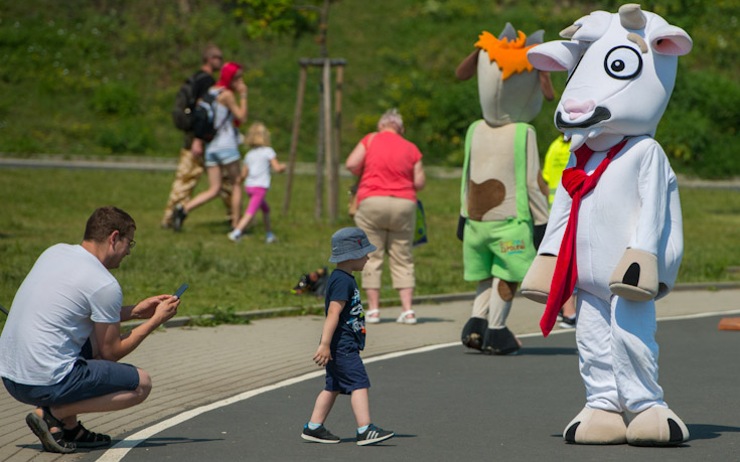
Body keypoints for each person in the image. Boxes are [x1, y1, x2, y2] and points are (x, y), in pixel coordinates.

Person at [0, 207, 181, 454]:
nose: (129, 250)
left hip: (11, 376)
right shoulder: (104, 283)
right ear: (114, 238)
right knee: (141, 385)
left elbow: (77, 311)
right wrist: (155, 321)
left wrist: (136, 311)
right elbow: (111, 352)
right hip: (42, 381)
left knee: (87, 342)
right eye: (130, 243)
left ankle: (70, 429)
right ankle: (53, 414)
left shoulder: (55, 252)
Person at [301, 227, 395, 446]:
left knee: (332, 386)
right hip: (341, 345)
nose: (368, 257)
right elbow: (333, 313)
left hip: (340, 344)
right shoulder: (343, 281)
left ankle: (314, 427)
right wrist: (325, 344)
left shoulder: (342, 278)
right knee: (359, 383)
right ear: (352, 255)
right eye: (364, 253)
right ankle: (365, 429)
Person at [345, 109, 426, 325]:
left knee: (372, 255)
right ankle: (408, 311)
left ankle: (373, 311)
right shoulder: (411, 148)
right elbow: (419, 182)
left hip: (372, 202)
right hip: (404, 205)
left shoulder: (370, 140)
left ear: (382, 125)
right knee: (403, 256)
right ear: (400, 129)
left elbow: (351, 164)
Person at [161, 44, 233, 229]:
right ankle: (236, 218)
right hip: (202, 141)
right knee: (226, 180)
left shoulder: (194, 78)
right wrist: (199, 140)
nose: (221, 61)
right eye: (218, 57)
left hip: (192, 138)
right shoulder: (206, 81)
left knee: (185, 180)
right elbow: (203, 113)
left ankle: (169, 218)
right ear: (209, 59)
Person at [173, 61, 248, 232]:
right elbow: (242, 117)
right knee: (237, 183)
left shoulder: (212, 91)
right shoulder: (227, 95)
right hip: (227, 145)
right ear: (231, 78)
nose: (240, 82)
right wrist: (243, 95)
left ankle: (183, 209)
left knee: (214, 189)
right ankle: (236, 226)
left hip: (211, 147)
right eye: (238, 78)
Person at [227, 122, 286, 243]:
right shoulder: (268, 151)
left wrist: (238, 181)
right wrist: (282, 168)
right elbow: (276, 168)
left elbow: (244, 173)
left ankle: (269, 234)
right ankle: (236, 232)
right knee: (250, 212)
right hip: (260, 187)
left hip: (249, 187)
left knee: (265, 209)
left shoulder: (249, 155)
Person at [541, 135, 577, 328]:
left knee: (562, 260)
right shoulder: (582, 144)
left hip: (554, 212)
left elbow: (546, 181)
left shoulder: (554, 146)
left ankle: (563, 309)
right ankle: (569, 311)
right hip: (572, 210)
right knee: (570, 261)